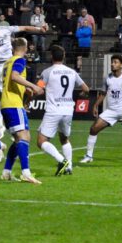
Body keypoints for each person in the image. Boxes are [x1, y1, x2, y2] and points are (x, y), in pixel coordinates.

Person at [0, 14, 47, 144]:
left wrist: (39, 30)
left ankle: (7, 125)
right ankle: (7, 126)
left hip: (9, 64)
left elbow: (25, 28)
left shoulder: (6, 30)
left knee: (11, 94)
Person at [80, 54, 122, 167]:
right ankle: (89, 156)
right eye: (112, 62)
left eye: (115, 62)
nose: (112, 64)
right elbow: (103, 93)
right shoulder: (108, 78)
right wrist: (95, 105)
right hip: (112, 110)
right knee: (93, 129)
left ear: (121, 65)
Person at [36, 46, 90, 176]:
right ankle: (69, 167)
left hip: (54, 110)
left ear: (51, 57)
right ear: (63, 57)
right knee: (64, 139)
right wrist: (82, 95)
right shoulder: (72, 72)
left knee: (41, 141)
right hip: (68, 110)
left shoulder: (47, 72)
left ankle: (62, 160)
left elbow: (38, 88)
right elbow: (86, 89)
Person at [0, 38, 44, 184]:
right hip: (13, 104)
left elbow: (12, 81)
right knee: (25, 137)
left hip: (6, 103)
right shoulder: (20, 60)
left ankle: (6, 172)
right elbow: (15, 77)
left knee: (19, 138)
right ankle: (26, 172)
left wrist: (27, 90)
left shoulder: (8, 62)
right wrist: (34, 86)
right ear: (25, 48)